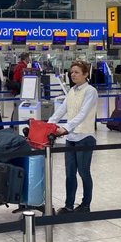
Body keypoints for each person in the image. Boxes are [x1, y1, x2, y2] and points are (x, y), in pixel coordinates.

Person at [48, 61, 98, 214]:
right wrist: (49, 124)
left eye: (76, 72)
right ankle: (69, 205)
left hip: (85, 136)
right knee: (70, 173)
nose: (73, 75)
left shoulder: (91, 91)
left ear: (85, 74)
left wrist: (66, 127)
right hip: (71, 138)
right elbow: (62, 109)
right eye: (71, 72)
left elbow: (82, 114)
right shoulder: (72, 90)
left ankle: (85, 205)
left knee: (83, 172)